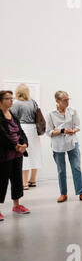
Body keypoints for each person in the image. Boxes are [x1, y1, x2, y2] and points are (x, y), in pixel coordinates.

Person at [46, 91, 82, 202]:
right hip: (58, 145)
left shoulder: (73, 111)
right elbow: (48, 132)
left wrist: (73, 131)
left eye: (68, 99)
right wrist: (62, 131)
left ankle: (81, 192)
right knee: (61, 170)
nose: (67, 101)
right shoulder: (51, 114)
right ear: (57, 101)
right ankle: (63, 194)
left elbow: (77, 126)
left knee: (76, 168)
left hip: (72, 142)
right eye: (64, 100)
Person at [0, 90, 31, 221]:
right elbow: (2, 135)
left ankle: (16, 205)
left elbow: (20, 131)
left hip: (17, 154)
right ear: (0, 101)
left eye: (11, 98)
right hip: (4, 154)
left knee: (17, 180)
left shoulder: (12, 114)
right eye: (8, 98)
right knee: (1, 181)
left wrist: (24, 144)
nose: (11, 101)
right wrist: (15, 146)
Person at [10, 84, 43, 190]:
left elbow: (12, 119)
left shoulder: (16, 104)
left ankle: (24, 183)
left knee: (24, 155)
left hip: (23, 129)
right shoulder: (33, 102)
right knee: (34, 154)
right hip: (33, 130)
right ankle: (32, 180)